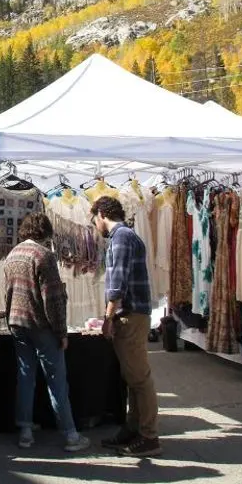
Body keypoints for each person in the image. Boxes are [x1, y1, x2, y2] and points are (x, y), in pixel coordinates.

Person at [3, 212, 90, 452]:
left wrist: (10, 319)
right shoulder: (44, 255)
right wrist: (62, 332)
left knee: (25, 377)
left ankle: (25, 432)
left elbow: (8, 293)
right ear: (45, 231)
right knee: (56, 380)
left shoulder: (12, 254)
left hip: (17, 322)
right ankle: (70, 434)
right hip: (41, 325)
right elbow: (52, 298)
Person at [91, 196, 161, 457]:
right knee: (133, 377)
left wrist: (107, 319)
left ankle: (149, 436)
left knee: (139, 378)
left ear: (101, 214)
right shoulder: (126, 236)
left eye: (94, 219)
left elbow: (117, 284)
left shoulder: (121, 238)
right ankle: (134, 428)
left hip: (130, 315)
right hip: (133, 313)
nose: (95, 225)